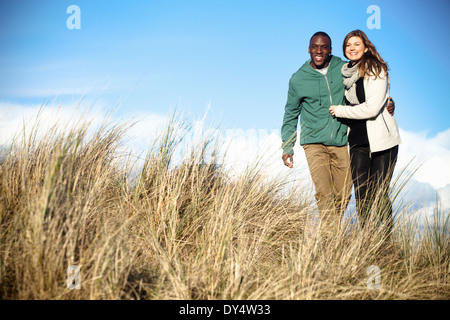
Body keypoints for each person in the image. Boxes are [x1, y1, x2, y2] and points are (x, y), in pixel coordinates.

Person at [329, 30, 401, 235]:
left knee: (379, 191)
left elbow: (371, 107)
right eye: (348, 45)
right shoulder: (347, 73)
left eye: (356, 44)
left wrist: (340, 110)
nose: (352, 48)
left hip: (382, 140)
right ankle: (367, 238)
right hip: (358, 140)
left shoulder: (375, 69)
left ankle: (386, 238)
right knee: (361, 193)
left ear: (366, 47)